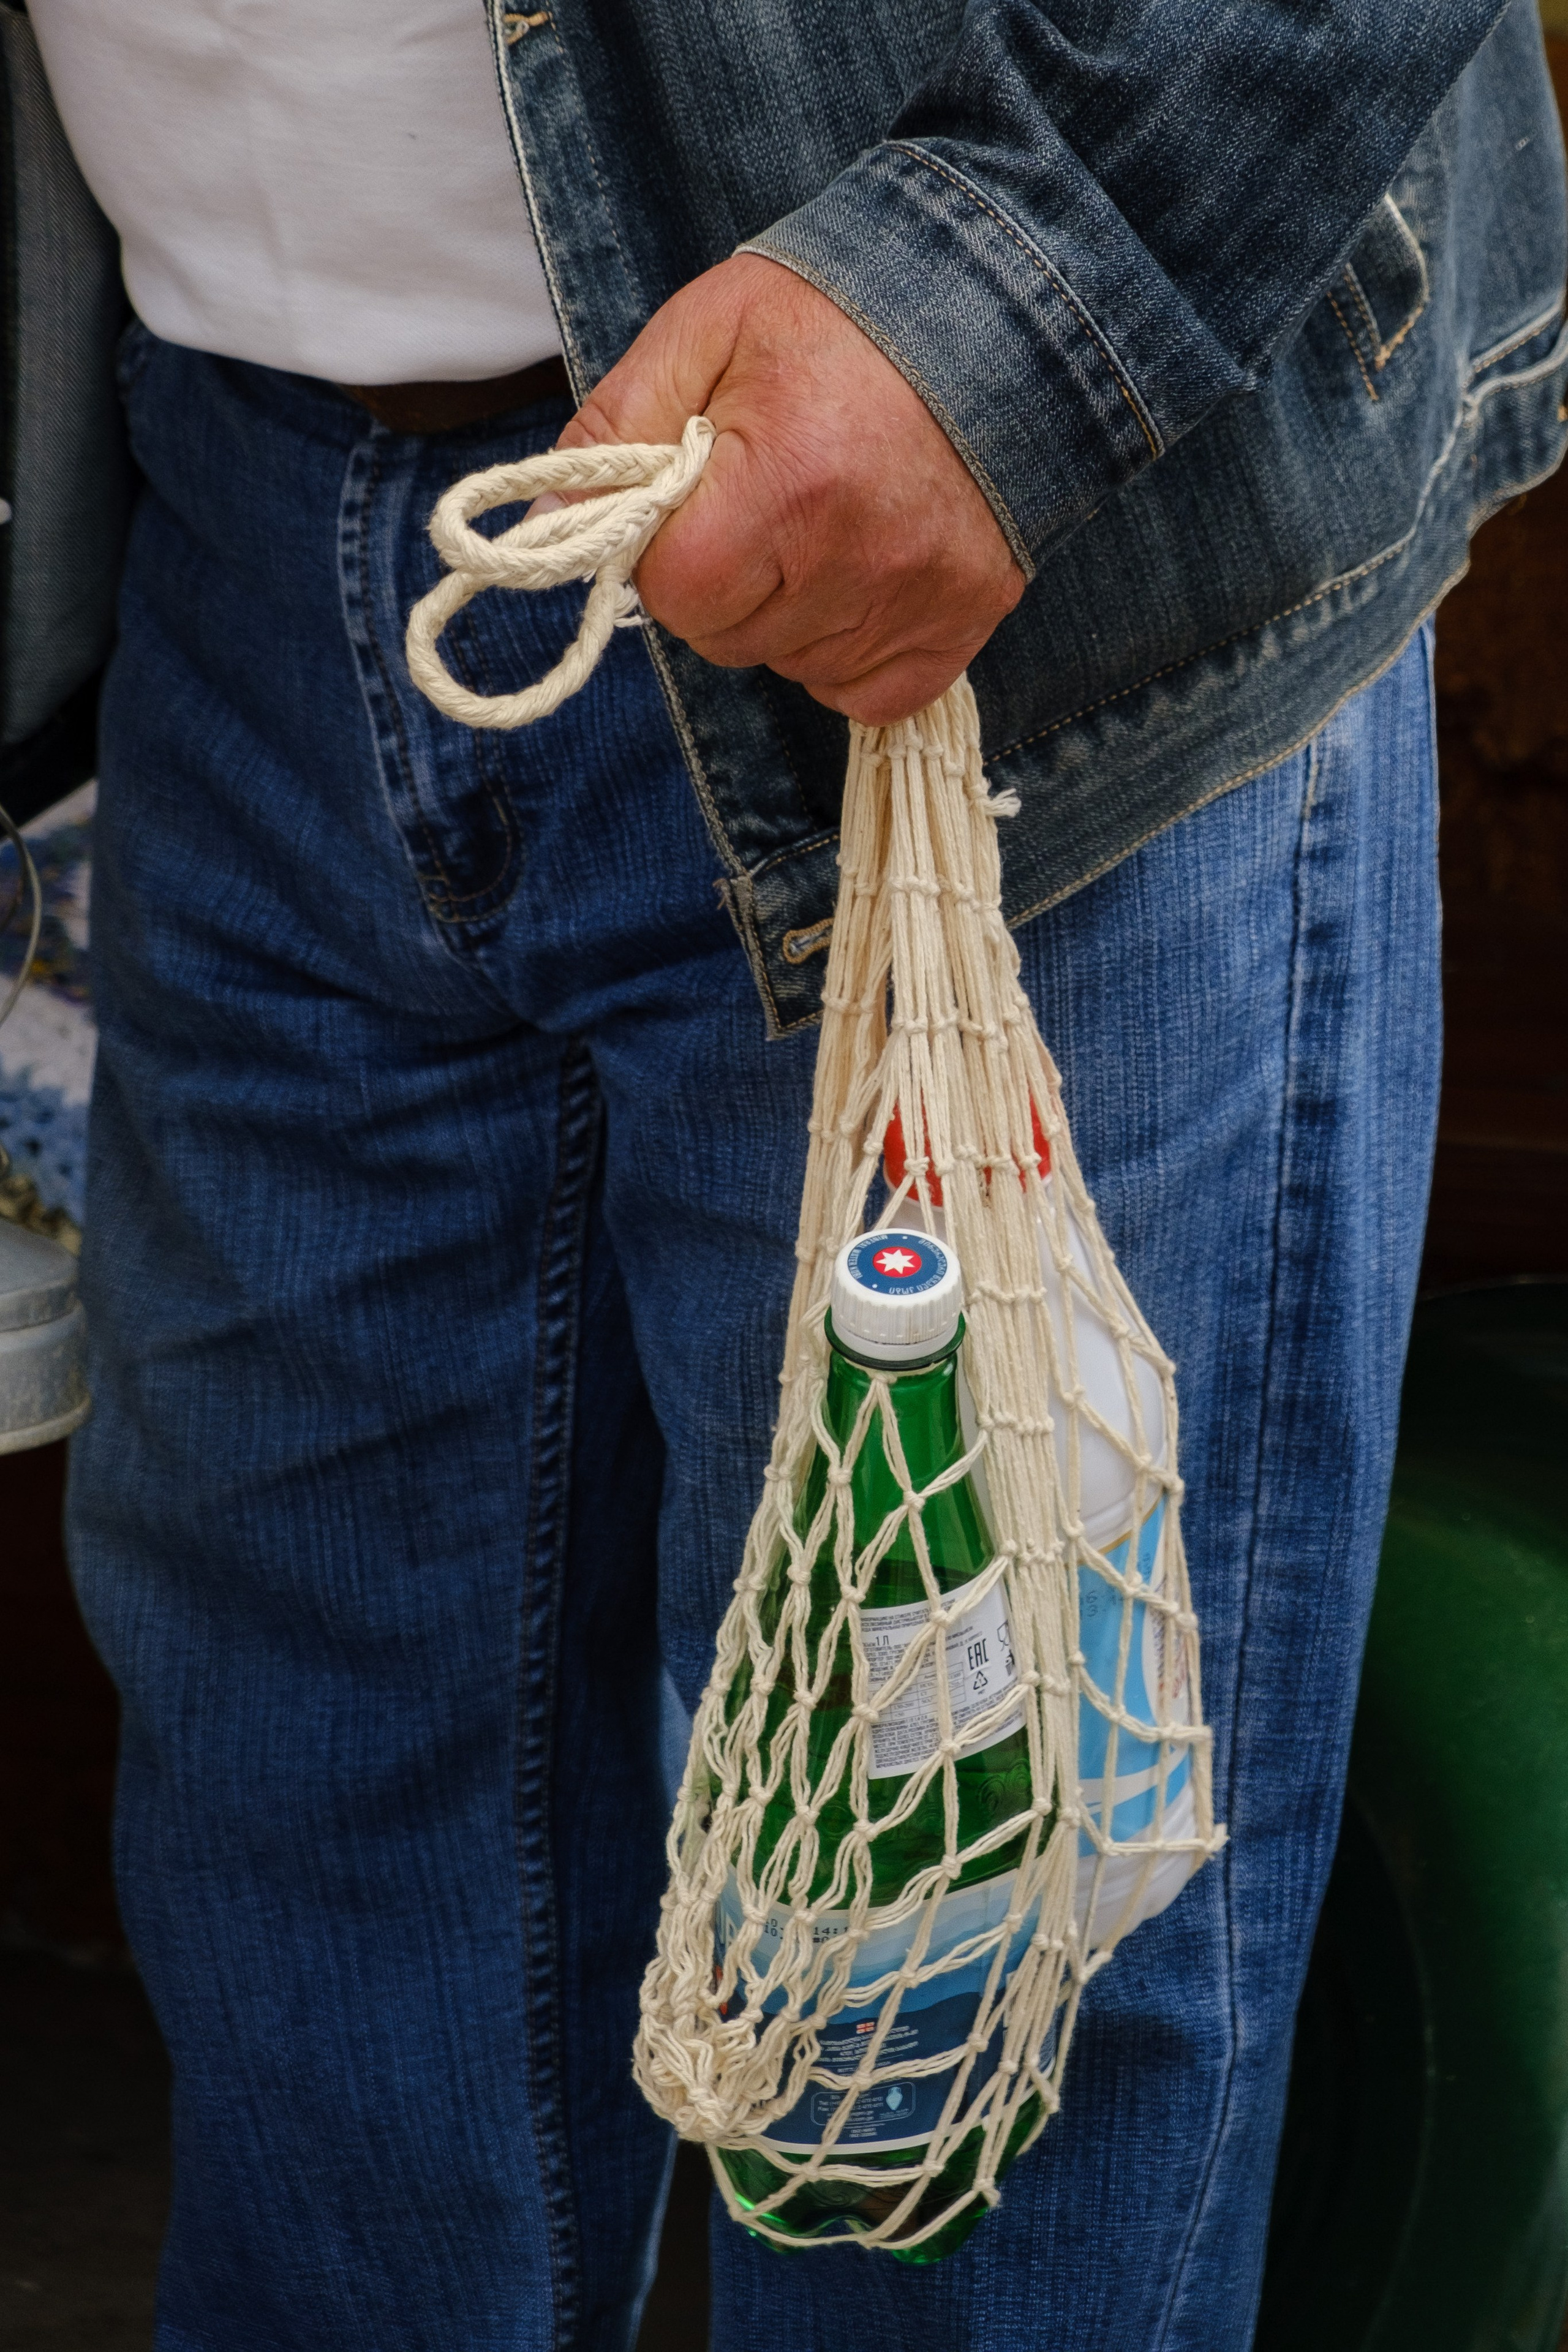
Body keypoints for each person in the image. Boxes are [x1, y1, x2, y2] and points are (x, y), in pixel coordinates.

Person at [18, 0, 1567, 2345]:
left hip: (999, 565)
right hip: (231, 509)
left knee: (965, 2050)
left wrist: (1020, 291)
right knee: (325, 1991)